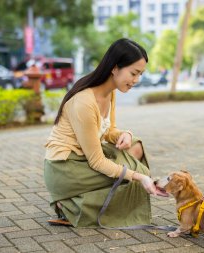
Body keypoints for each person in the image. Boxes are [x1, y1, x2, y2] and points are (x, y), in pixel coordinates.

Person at [43, 38, 167, 228]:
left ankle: (81, 202)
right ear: (115, 68)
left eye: (140, 74)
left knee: (136, 146)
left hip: (83, 157)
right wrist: (139, 177)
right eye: (133, 73)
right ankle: (68, 205)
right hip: (65, 168)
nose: (136, 80)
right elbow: (97, 161)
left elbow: (108, 130)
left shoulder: (111, 92)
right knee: (135, 175)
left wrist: (124, 135)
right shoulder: (84, 102)